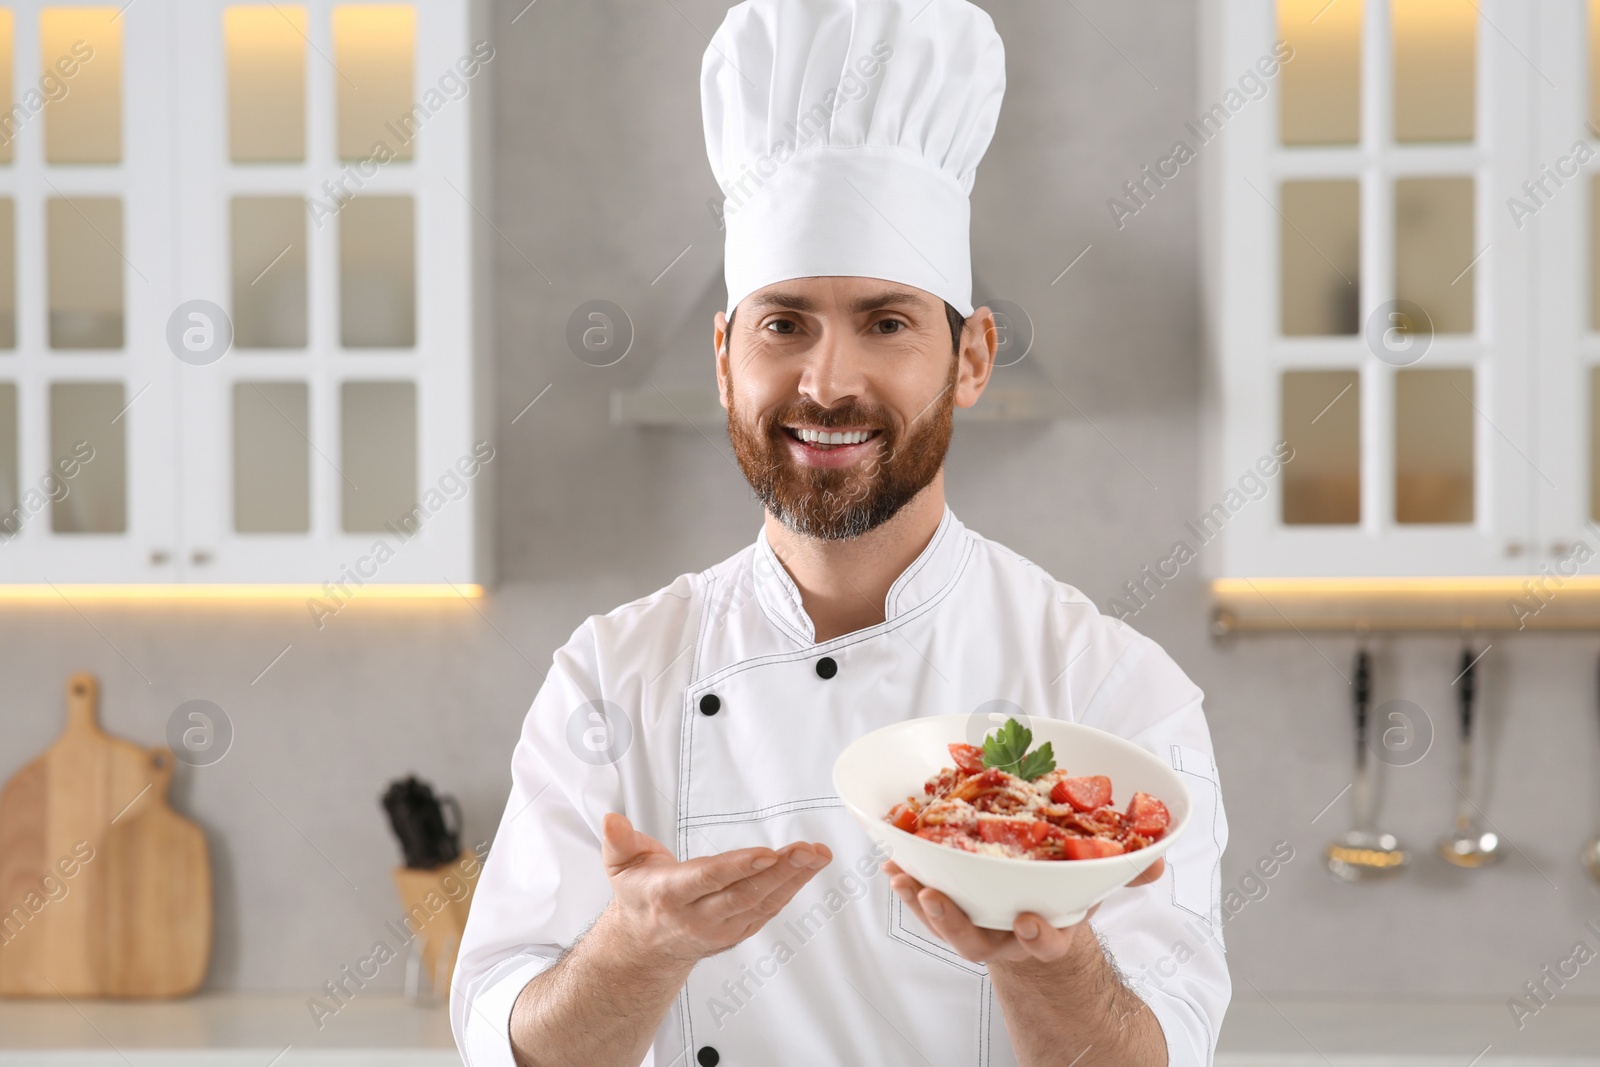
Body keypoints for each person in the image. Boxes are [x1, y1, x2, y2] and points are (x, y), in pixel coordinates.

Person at [451, 1, 1230, 1064]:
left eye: (886, 321)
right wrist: (638, 943)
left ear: (970, 356)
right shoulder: (610, 676)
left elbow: (1162, 1052)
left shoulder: (1112, 695)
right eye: (784, 324)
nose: (827, 381)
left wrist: (1047, 960)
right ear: (724, 355)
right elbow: (507, 1035)